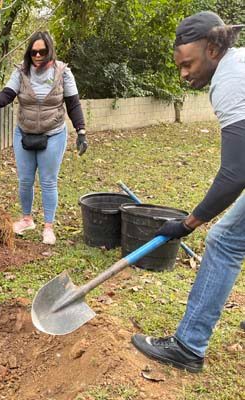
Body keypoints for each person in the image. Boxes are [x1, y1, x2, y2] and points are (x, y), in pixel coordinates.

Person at [131, 11, 245, 373]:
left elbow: (235, 173)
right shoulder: (238, 63)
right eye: (179, 66)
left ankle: (188, 346)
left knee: (225, 241)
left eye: (188, 64)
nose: (184, 74)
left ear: (213, 48)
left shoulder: (229, 77)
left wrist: (189, 223)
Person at [0, 31, 87, 245]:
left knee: (48, 181)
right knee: (25, 180)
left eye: (42, 51)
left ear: (50, 50)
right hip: (24, 131)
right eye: (33, 52)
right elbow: (8, 93)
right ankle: (26, 219)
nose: (38, 56)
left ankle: (48, 227)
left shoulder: (62, 72)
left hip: (53, 133)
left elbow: (73, 103)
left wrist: (81, 131)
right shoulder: (22, 71)